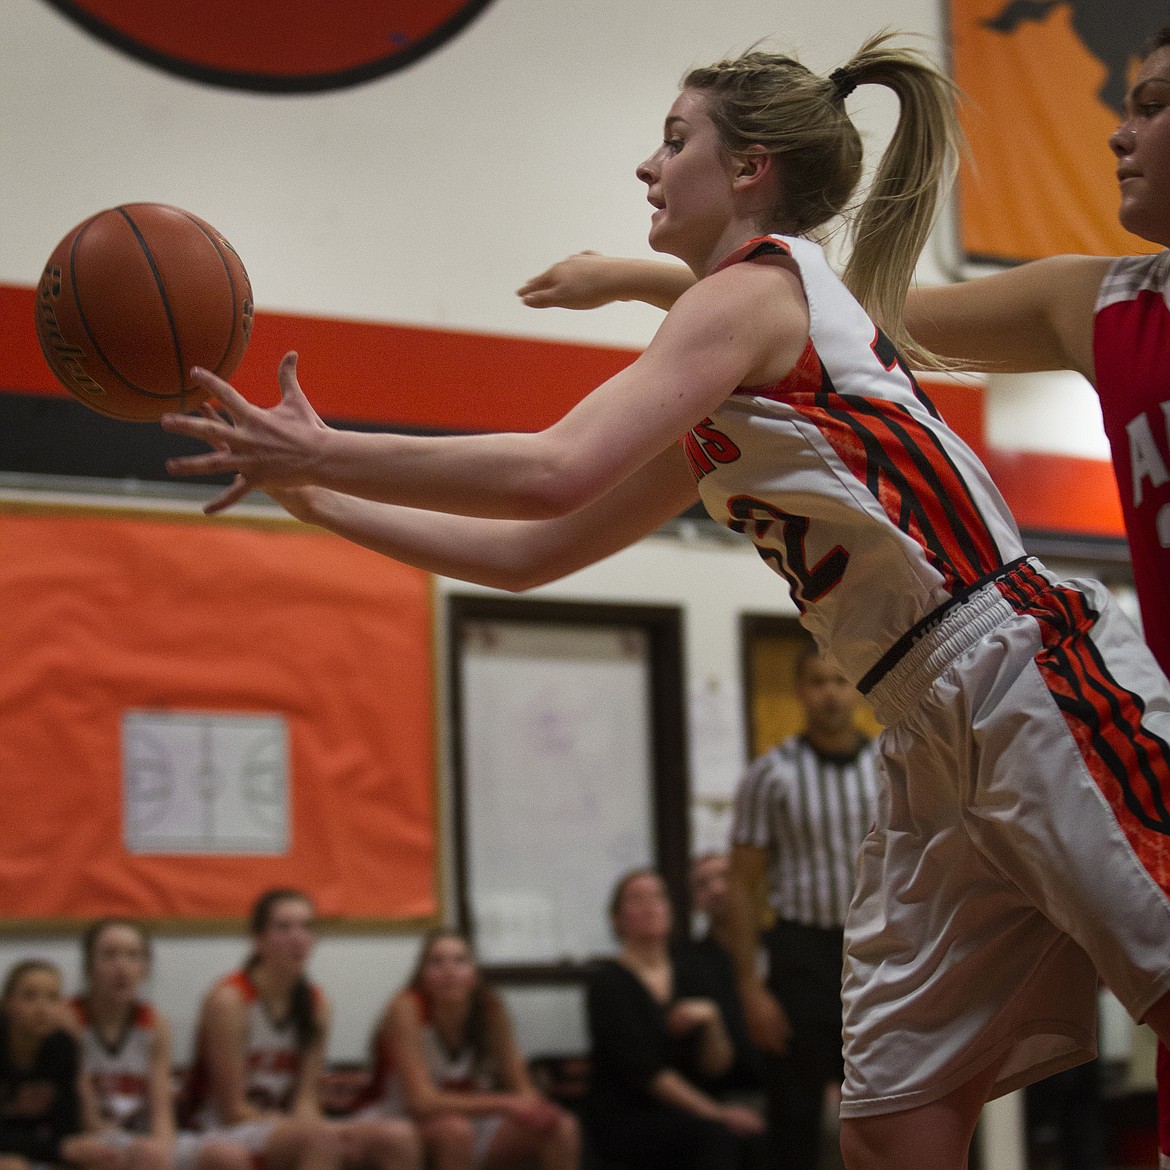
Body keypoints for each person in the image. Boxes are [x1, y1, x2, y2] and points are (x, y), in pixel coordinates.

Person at [160, 30, 1170, 1170]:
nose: (648, 166)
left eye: (673, 140)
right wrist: (315, 498)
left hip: (1017, 671)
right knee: (890, 1124)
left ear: (749, 171)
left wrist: (331, 451)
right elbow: (535, 551)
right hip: (928, 724)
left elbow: (554, 466)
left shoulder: (759, 290)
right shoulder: (740, 342)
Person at [722, 642, 879, 1170]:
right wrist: (749, 987)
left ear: (855, 688)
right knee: (794, 1112)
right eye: (817, 681)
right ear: (800, 692)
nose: (830, 693)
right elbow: (742, 886)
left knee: (889, 1102)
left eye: (839, 680)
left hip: (878, 949)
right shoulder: (771, 773)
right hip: (800, 954)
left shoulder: (890, 765)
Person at [183, 889, 420, 1170]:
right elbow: (232, 1109)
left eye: (306, 927)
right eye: (283, 928)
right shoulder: (231, 1000)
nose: (297, 937)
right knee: (322, 1139)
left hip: (283, 1127)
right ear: (257, 940)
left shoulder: (317, 1004)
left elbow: (306, 1100)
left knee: (398, 1137)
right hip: (220, 1131)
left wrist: (319, 1128)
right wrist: (313, 1130)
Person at [585, 869, 765, 1169]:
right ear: (617, 919)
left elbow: (717, 1066)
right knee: (719, 1136)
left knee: (757, 1136)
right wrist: (716, 1112)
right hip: (632, 1114)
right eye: (636, 898)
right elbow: (648, 1073)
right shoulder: (609, 983)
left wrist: (713, 1021)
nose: (650, 905)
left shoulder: (692, 970)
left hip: (692, 1105)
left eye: (658, 896)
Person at [358, 928, 578, 1170]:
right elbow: (421, 1102)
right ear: (421, 975)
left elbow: (522, 1087)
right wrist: (507, 1103)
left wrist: (538, 1108)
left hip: (465, 1121)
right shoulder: (406, 1008)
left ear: (474, 974)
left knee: (561, 1126)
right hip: (398, 1119)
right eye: (436, 961)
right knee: (455, 1132)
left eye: (460, 960)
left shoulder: (490, 1008)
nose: (449, 971)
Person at [70, 919, 249, 1170]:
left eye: (133, 956)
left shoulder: (154, 1024)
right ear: (89, 966)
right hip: (95, 1139)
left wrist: (165, 1148)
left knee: (228, 1156)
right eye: (109, 955)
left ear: (145, 967)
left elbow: (162, 1112)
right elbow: (87, 1118)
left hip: (145, 1139)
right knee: (147, 1155)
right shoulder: (71, 1021)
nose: (122, 966)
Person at [0, 959, 110, 1170]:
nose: (43, 1008)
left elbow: (67, 1124)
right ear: (8, 1004)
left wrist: (73, 1149)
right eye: (30, 996)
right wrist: (58, 1148)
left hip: (39, 1147)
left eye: (52, 997)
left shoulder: (62, 1045)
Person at [685, 854, 763, 1103]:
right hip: (728, 1093)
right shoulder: (689, 964)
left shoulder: (781, 947)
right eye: (703, 884)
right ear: (695, 901)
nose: (716, 889)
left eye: (724, 876)